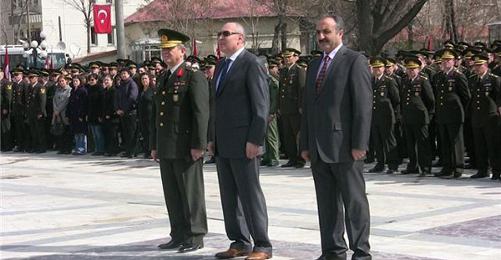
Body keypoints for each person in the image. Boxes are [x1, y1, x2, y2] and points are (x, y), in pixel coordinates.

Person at [299, 15, 372, 260]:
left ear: (340, 33)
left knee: (354, 203)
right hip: (319, 148)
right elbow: (308, 107)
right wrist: (305, 143)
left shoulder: (354, 61)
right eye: (318, 32)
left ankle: (361, 252)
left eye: (326, 32)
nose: (321, 37)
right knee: (327, 205)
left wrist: (359, 144)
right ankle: (332, 251)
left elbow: (363, 106)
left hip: (345, 147)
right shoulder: (313, 65)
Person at [209, 22, 272, 260]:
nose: (221, 38)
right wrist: (212, 138)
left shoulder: (251, 63)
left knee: (249, 195)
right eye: (220, 34)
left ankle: (262, 245)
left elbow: (261, 107)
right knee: (229, 196)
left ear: (241, 39)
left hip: (245, 142)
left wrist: (255, 140)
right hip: (224, 142)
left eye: (226, 34)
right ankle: (239, 241)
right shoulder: (221, 65)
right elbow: (217, 106)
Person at [150, 29, 210, 253]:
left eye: (169, 49)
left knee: (190, 193)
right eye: (163, 50)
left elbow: (200, 113)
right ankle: (178, 233)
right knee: (173, 194)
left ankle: (195, 235)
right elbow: (158, 114)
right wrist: (154, 145)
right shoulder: (164, 76)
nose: (165, 53)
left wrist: (199, 145)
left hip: (185, 146)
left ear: (182, 51)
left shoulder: (193, 76)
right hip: (167, 145)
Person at [432, 49, 470, 178]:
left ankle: (458, 167)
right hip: (442, 114)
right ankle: (447, 167)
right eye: (444, 60)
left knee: (456, 142)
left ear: (454, 62)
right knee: (445, 142)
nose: (446, 62)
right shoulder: (438, 76)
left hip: (455, 114)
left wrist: (462, 113)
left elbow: (466, 97)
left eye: (448, 60)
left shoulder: (458, 76)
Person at [400, 55, 435, 176]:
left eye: (413, 69)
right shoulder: (404, 81)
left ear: (418, 69)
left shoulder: (423, 81)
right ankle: (413, 166)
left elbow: (430, 100)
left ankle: (425, 167)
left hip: (420, 118)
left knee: (423, 144)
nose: (411, 71)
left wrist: (428, 115)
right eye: (409, 69)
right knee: (410, 144)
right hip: (408, 117)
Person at [468, 53, 501, 180]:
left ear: (486, 65)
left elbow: (499, 97)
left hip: (490, 116)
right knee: (480, 145)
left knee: (492, 145)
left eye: (479, 65)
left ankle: (496, 170)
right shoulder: (473, 79)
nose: (477, 68)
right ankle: (482, 169)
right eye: (475, 65)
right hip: (477, 116)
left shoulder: (494, 79)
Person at [368, 57, 400, 174]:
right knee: (377, 141)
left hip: (386, 116)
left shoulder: (389, 81)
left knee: (389, 141)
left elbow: (396, 99)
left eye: (379, 67)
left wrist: (394, 114)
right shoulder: (370, 81)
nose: (377, 70)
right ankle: (380, 163)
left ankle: (393, 164)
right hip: (374, 116)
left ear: (383, 68)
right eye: (375, 68)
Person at [278, 48, 306, 168]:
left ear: (295, 57)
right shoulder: (284, 71)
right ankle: (292, 158)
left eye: (289, 57)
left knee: (297, 134)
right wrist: (279, 106)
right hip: (285, 108)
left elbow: (302, 90)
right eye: (285, 57)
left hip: (295, 108)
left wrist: (301, 106)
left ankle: (300, 159)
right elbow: (281, 91)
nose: (287, 59)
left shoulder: (299, 71)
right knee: (287, 135)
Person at [261, 59, 281, 167]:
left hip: (270, 113)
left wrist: (272, 113)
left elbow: (274, 99)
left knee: (272, 135)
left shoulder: (272, 81)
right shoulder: (264, 80)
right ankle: (267, 157)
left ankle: (274, 157)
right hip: (263, 112)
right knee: (265, 136)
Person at [115, 68, 139, 158]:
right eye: (122, 74)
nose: (123, 75)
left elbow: (132, 98)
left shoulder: (132, 84)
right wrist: (117, 109)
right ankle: (128, 150)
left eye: (125, 73)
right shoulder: (121, 85)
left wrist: (123, 109)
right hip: (122, 113)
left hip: (130, 112)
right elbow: (117, 98)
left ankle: (133, 151)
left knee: (132, 133)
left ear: (129, 74)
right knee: (125, 133)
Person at [25, 70, 47, 153]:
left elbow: (42, 101)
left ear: (36, 78)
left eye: (32, 77)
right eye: (29, 77)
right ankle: (35, 146)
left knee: (40, 131)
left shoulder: (40, 87)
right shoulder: (30, 87)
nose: (30, 79)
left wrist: (40, 112)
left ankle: (42, 147)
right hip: (31, 113)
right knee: (33, 131)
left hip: (38, 113)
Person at [67, 76, 88, 155]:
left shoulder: (83, 91)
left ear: (80, 82)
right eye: (74, 81)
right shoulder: (73, 90)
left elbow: (83, 104)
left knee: (81, 133)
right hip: (73, 115)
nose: (75, 82)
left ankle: (82, 148)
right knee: (76, 132)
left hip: (80, 115)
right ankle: (77, 147)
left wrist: (82, 115)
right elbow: (70, 103)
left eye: (76, 81)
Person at [52, 75, 73, 154]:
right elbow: (54, 100)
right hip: (58, 114)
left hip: (65, 113)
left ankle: (68, 148)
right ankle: (62, 148)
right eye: (60, 81)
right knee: (61, 132)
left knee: (67, 132)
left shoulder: (69, 89)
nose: (61, 83)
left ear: (66, 81)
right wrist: (55, 110)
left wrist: (59, 109)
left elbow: (66, 101)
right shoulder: (58, 90)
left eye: (62, 81)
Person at [87, 73, 106, 155]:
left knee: (99, 134)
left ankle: (101, 149)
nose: (91, 81)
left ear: (96, 80)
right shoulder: (89, 89)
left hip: (98, 115)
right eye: (89, 80)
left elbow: (101, 104)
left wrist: (100, 115)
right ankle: (97, 149)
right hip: (91, 114)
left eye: (92, 80)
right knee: (94, 134)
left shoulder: (100, 89)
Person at [137, 73, 155, 159]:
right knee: (145, 134)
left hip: (150, 115)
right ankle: (146, 151)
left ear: (149, 79)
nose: (144, 80)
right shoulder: (141, 90)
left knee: (151, 134)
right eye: (142, 79)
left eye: (146, 78)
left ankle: (152, 151)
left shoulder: (153, 90)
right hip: (142, 116)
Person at [102, 75, 119, 156]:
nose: (106, 82)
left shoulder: (114, 90)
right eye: (105, 80)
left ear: (112, 81)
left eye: (108, 80)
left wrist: (109, 114)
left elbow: (113, 104)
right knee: (107, 134)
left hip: (112, 116)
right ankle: (108, 150)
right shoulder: (104, 90)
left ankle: (114, 150)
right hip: (105, 116)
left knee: (113, 135)